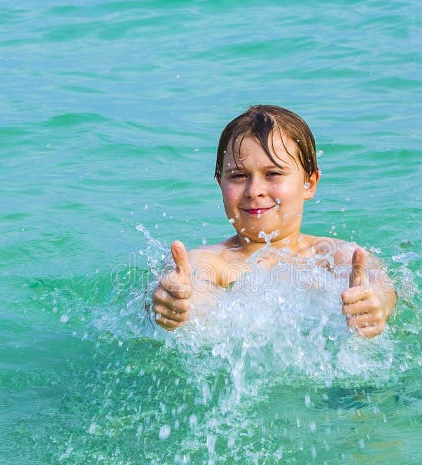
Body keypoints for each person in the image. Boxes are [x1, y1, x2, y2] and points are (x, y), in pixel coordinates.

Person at [152, 105, 397, 338]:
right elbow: (193, 289)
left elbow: (379, 283)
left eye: (273, 174)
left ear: (309, 183)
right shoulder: (210, 262)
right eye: (238, 176)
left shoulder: (335, 257)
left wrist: (375, 303)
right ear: (220, 183)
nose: (254, 190)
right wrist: (177, 305)